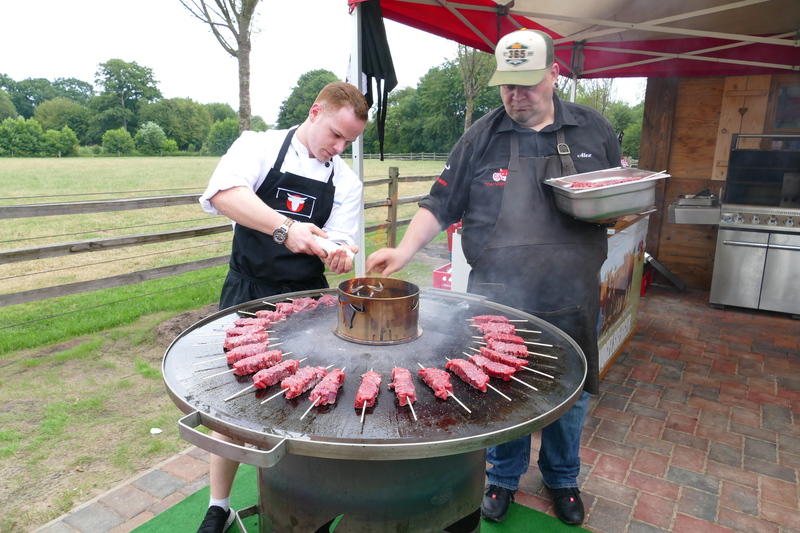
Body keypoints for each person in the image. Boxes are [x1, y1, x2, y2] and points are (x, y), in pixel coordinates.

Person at [365, 29, 622, 526]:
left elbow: (614, 192)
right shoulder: (481, 137)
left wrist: (617, 205)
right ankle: (502, 478)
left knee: (571, 392)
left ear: (554, 74)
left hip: (572, 292)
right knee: (502, 389)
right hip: (498, 296)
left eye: (527, 83)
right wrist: (404, 248)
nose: (516, 95)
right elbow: (440, 203)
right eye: (507, 85)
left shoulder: (593, 129)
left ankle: (562, 478)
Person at [196, 81, 369, 533]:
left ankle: (306, 499)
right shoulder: (258, 146)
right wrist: (286, 229)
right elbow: (223, 195)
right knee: (234, 400)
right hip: (248, 290)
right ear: (315, 112)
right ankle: (219, 506)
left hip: (306, 299)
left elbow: (341, 237)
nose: (339, 148)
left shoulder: (345, 180)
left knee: (310, 397)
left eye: (349, 141)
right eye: (336, 134)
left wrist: (339, 252)